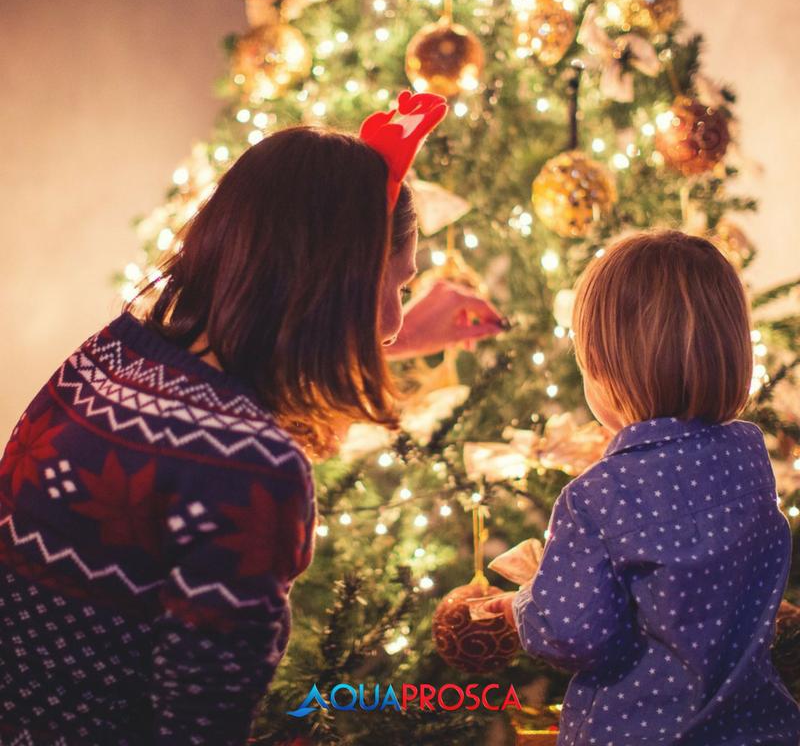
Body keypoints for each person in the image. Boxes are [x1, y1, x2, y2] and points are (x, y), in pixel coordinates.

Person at [0, 91, 506, 745]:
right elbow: (199, 727)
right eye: (395, 288)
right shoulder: (252, 468)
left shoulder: (109, 358)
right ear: (331, 290)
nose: (391, 322)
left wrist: (393, 340)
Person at [484, 230, 800, 745]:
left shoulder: (596, 497)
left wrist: (522, 605)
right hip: (759, 726)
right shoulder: (748, 457)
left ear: (606, 376)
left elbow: (572, 633)